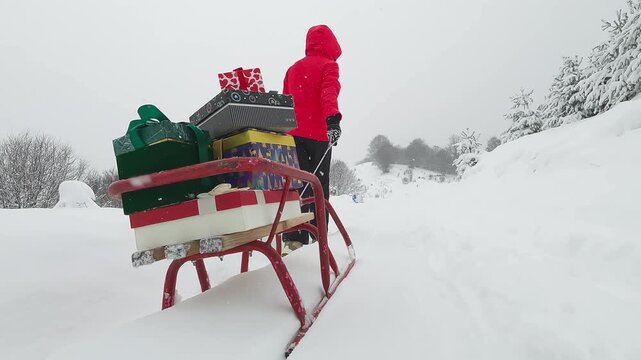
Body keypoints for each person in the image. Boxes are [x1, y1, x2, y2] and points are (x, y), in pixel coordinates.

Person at [281, 24, 343, 254]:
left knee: (296, 185)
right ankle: (319, 236)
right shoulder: (329, 66)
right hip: (318, 135)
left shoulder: (293, 68)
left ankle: (293, 238)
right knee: (318, 184)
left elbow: (286, 101)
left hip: (293, 135)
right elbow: (329, 93)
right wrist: (332, 121)